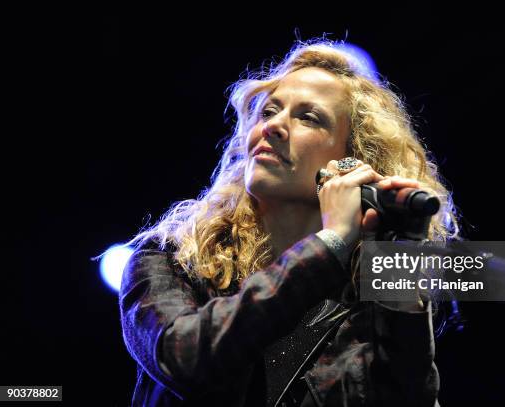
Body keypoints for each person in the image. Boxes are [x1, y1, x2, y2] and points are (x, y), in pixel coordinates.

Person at [119, 39, 458, 406]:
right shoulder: (171, 258)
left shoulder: (363, 302)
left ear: (352, 159)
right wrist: (330, 243)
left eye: (308, 117)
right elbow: (186, 360)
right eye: (268, 112)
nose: (274, 127)